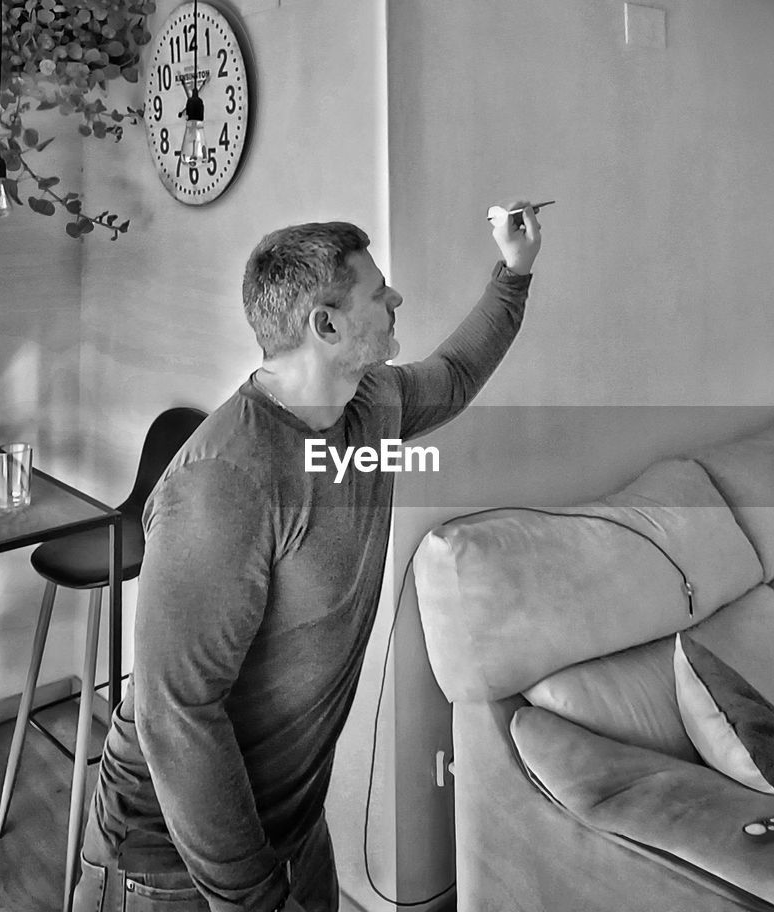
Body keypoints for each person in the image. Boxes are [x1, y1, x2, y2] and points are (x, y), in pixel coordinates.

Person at [71, 202, 543, 912]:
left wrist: (515, 270)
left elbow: (453, 373)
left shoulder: (372, 401)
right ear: (325, 325)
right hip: (172, 865)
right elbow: (179, 713)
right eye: (377, 294)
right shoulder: (224, 479)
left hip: (290, 829)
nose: (396, 299)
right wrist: (254, 896)